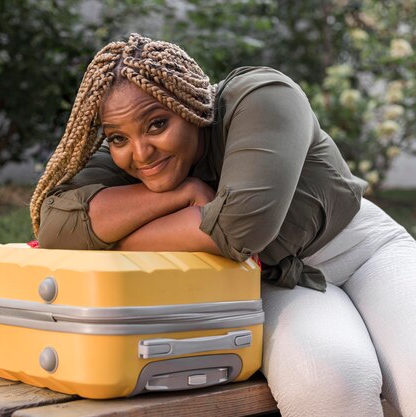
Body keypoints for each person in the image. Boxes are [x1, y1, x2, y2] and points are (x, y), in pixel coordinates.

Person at [29, 33, 416, 417]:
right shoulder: (125, 148)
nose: (140, 153)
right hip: (266, 279)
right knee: (329, 383)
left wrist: (116, 239)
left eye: (157, 124)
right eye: (117, 138)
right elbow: (53, 225)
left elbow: (239, 229)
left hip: (361, 249)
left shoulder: (262, 97)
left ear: (187, 103)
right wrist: (179, 195)